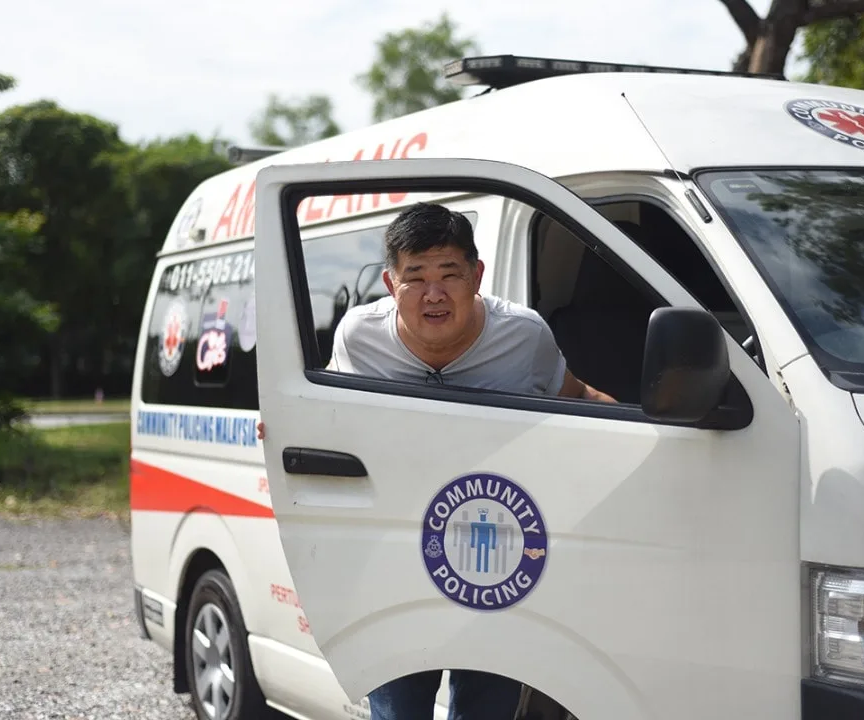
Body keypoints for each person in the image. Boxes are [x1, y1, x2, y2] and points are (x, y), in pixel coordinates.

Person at [258, 201, 615, 720]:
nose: (433, 294)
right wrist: (279, 427)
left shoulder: (524, 337)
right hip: (391, 565)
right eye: (415, 277)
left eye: (449, 274)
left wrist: (650, 435)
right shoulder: (360, 339)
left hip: (497, 563)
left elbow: (578, 399)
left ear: (477, 275)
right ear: (390, 283)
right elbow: (322, 414)